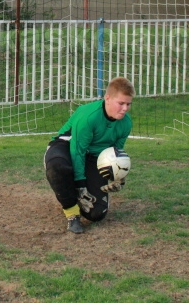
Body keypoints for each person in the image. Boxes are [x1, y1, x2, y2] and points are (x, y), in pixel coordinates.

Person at [44, 77, 134, 234]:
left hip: (92, 157)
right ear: (107, 98)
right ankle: (72, 213)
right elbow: (77, 151)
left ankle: (72, 194)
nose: (125, 108)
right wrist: (81, 185)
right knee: (57, 167)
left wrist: (118, 178)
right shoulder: (89, 116)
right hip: (66, 148)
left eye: (128, 104)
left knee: (96, 214)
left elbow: (115, 154)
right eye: (121, 103)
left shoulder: (126, 123)